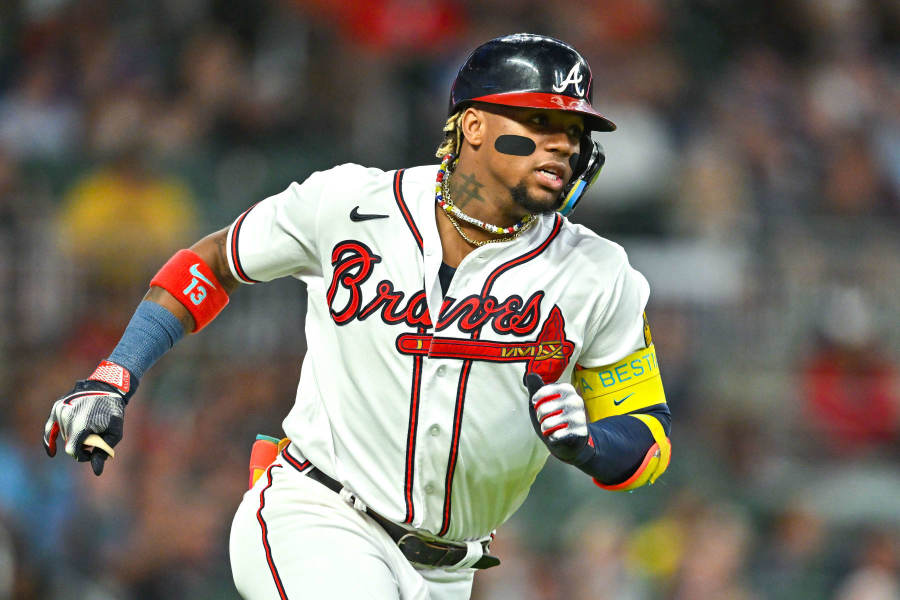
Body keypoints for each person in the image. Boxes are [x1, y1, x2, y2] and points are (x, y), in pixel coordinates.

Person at [43, 33, 672, 600]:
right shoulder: (351, 202)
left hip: (449, 573)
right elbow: (213, 261)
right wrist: (114, 374)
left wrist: (591, 446)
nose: (564, 144)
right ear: (474, 126)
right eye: (540, 122)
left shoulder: (599, 273)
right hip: (318, 516)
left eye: (575, 130)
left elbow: (649, 437)